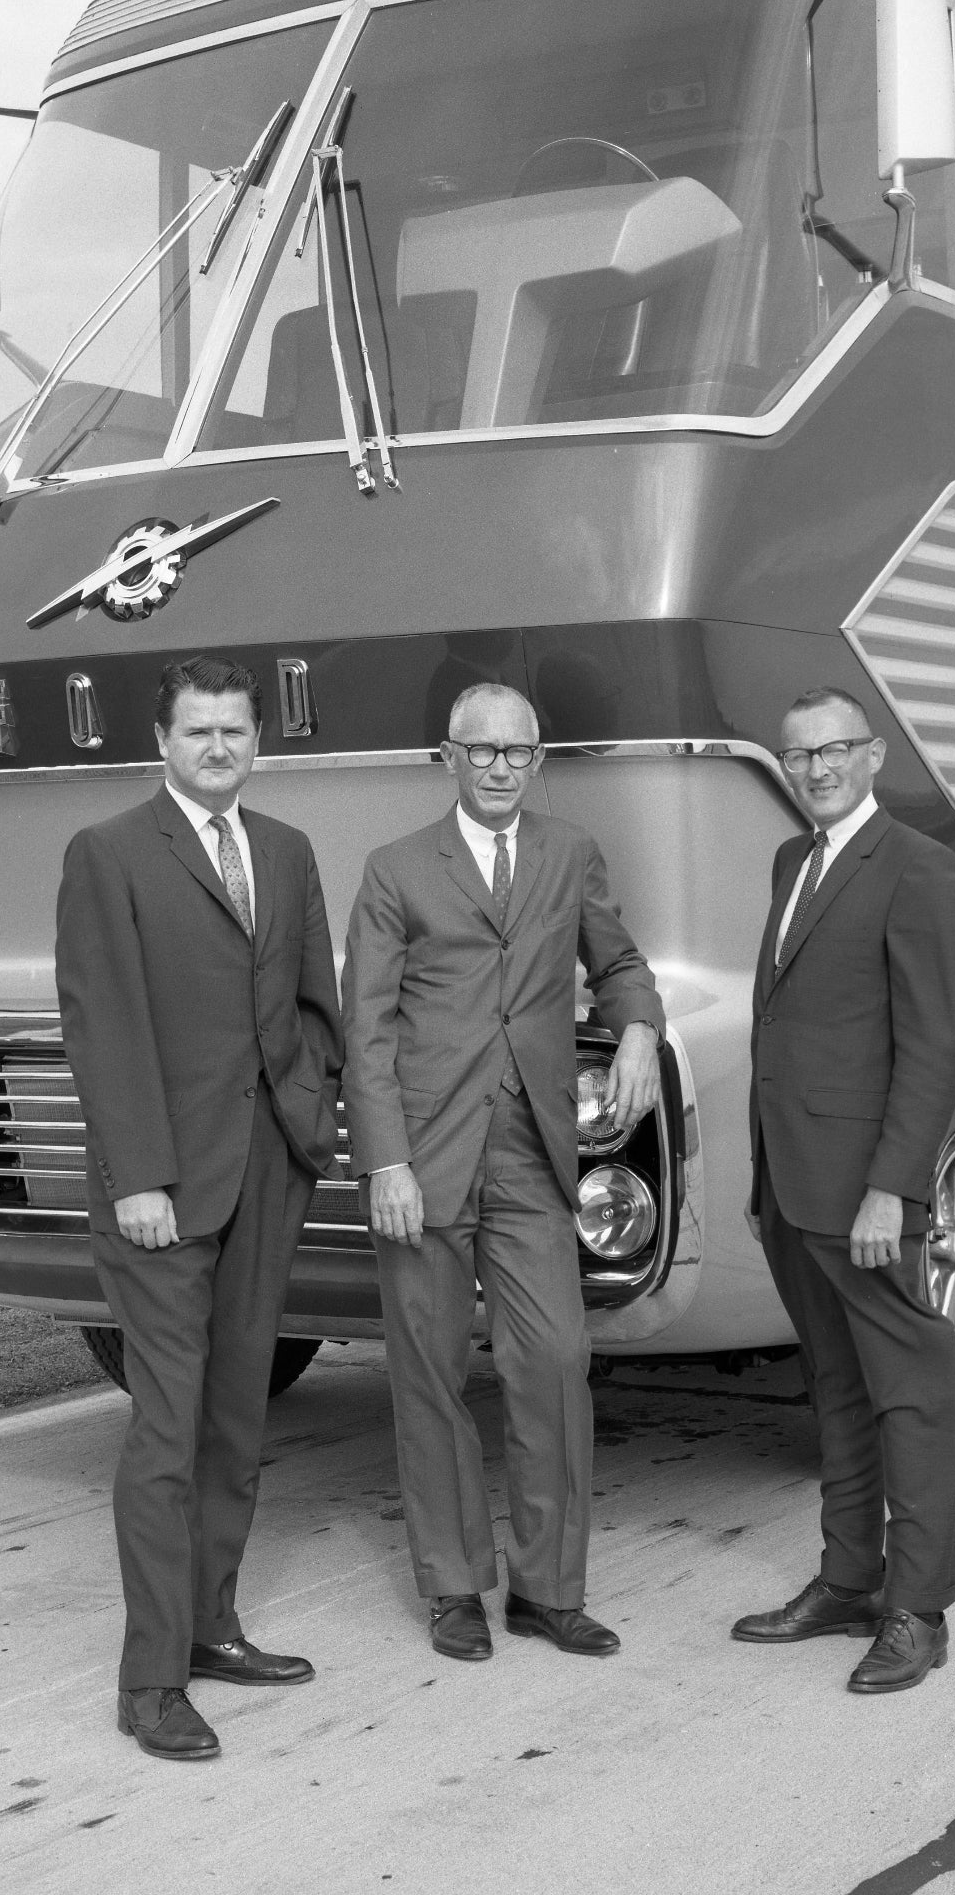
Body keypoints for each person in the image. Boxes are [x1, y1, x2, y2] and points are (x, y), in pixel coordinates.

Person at [55, 655, 342, 1760]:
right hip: (162, 1185)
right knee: (167, 1427)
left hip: (268, 1165)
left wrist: (307, 1111)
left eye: (234, 730)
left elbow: (314, 997)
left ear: (255, 738)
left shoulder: (285, 848)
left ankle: (214, 1624)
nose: (218, 746)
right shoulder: (110, 853)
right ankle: (149, 1677)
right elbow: (103, 1024)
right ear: (161, 740)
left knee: (236, 1415)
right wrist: (134, 1175)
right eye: (197, 731)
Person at [343, 683, 665, 1664]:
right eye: (479, 750)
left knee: (554, 1359)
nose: (497, 766)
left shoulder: (569, 854)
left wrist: (638, 1027)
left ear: (538, 759)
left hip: (531, 1147)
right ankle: (451, 1585)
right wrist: (386, 1160)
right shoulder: (395, 868)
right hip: (426, 1154)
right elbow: (366, 1028)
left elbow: (615, 961)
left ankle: (546, 1589)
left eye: (516, 751)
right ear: (448, 756)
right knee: (430, 1371)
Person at [732, 685, 955, 1695]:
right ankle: (845, 1579)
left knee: (907, 1392)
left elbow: (929, 1044)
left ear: (872, 754)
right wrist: (761, 1172)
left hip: (863, 1192)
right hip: (793, 1184)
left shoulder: (915, 867)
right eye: (797, 756)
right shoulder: (794, 860)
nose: (815, 769)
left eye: (832, 751)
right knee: (834, 1384)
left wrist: (892, 1189)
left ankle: (916, 1608)